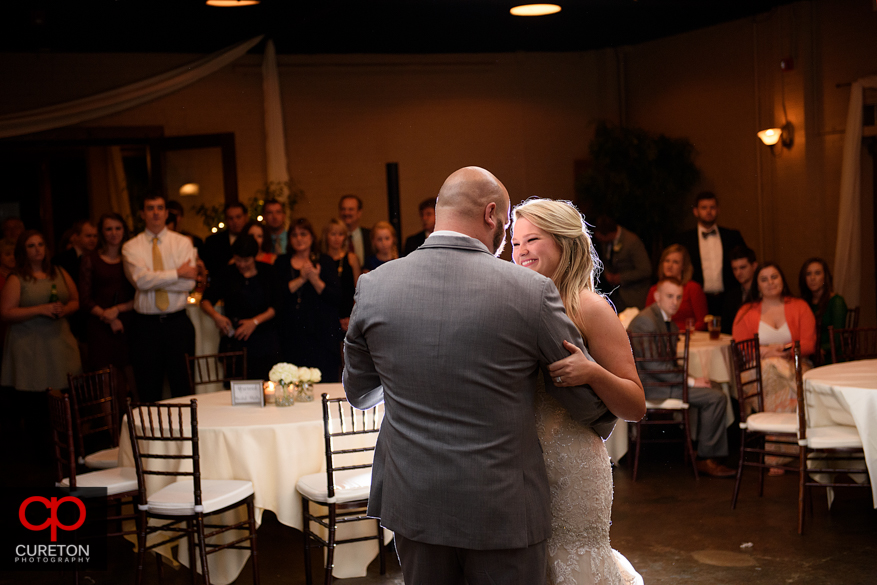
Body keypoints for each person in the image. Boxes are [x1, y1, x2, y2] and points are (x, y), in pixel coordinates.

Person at [343, 167, 615, 585]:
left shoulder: (374, 286)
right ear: (492, 215)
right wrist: (604, 412)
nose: (507, 240)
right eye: (507, 226)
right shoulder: (530, 291)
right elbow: (582, 403)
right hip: (503, 506)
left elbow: (360, 394)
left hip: (414, 500)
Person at [511, 197, 645, 585]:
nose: (521, 251)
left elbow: (635, 405)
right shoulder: (513, 304)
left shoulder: (589, 307)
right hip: (518, 471)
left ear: (564, 242)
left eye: (532, 240)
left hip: (572, 470)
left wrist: (592, 372)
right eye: (516, 243)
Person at [629, 277, 735, 477]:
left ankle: (704, 451)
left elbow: (667, 364)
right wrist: (692, 381)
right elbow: (653, 366)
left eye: (678, 297)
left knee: (715, 387)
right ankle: (706, 459)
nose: (674, 302)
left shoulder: (666, 320)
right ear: (657, 296)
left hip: (663, 380)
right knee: (716, 397)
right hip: (652, 386)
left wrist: (695, 379)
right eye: (670, 296)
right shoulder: (647, 321)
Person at [733, 262, 816, 470]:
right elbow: (741, 347)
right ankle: (788, 452)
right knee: (770, 372)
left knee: (781, 377)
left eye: (774, 277)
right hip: (758, 369)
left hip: (796, 364)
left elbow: (808, 344)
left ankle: (777, 454)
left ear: (782, 279)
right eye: (764, 279)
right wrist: (764, 352)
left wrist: (783, 348)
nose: (770, 283)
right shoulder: (746, 311)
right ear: (757, 285)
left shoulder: (800, 306)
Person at [122, 193, 198, 401]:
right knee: (148, 389)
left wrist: (154, 279)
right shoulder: (131, 246)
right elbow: (140, 281)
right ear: (142, 214)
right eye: (150, 208)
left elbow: (189, 283)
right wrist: (176, 273)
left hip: (177, 324)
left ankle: (186, 434)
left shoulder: (182, 243)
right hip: (145, 327)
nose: (155, 212)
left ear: (166, 213)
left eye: (160, 208)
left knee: (182, 387)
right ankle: (150, 435)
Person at [1, 230, 82, 390]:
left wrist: (65, 309)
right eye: (31, 246)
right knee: (36, 397)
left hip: (60, 341)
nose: (37, 249)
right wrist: (40, 309)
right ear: (23, 251)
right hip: (30, 346)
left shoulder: (59, 271)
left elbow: (75, 300)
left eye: (40, 244)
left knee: (66, 392)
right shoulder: (17, 278)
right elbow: (5, 312)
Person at [200, 235, 281, 380]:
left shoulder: (268, 272)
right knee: (235, 384)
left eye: (246, 260)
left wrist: (254, 322)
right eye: (238, 260)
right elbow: (205, 300)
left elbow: (277, 305)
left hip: (264, 339)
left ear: (254, 257)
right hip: (235, 341)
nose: (242, 264)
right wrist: (216, 316)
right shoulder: (227, 273)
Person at [275, 218, 343, 382]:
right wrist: (301, 278)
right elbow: (277, 294)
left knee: (323, 379)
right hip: (292, 333)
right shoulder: (282, 262)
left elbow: (335, 297)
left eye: (303, 234)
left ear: (312, 237)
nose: (299, 238)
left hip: (321, 333)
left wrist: (314, 278)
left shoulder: (325, 261)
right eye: (294, 235)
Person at [78, 213, 137, 400]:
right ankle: (111, 428)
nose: (114, 233)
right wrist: (108, 316)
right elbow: (85, 299)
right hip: (99, 326)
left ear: (124, 231)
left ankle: (140, 425)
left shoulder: (133, 259)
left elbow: (142, 295)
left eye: (118, 228)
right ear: (102, 233)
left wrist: (118, 310)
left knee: (134, 377)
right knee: (105, 384)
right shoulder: (90, 259)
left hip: (129, 323)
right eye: (108, 229)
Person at [675, 191, 748, 316]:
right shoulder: (684, 239)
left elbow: (746, 263)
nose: (709, 211)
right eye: (704, 208)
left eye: (712, 207)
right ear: (696, 211)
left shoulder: (732, 236)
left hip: (728, 298)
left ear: (718, 210)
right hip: (698, 299)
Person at [592, 215, 651, 311]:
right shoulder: (605, 242)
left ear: (608, 234)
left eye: (601, 238)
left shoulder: (632, 242)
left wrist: (621, 277)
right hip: (617, 296)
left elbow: (645, 270)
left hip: (633, 296)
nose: (600, 241)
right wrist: (607, 274)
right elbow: (604, 260)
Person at [645, 244, 708, 331]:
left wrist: (683, 332)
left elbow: (702, 321)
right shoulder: (654, 290)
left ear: (683, 266)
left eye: (675, 262)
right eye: (667, 261)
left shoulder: (693, 288)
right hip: (662, 339)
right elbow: (648, 318)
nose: (669, 265)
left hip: (688, 337)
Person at [799, 257, 847, 364]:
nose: (812, 278)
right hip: (810, 354)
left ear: (825, 277)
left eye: (817, 273)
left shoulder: (836, 302)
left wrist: (816, 349)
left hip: (831, 357)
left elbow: (837, 340)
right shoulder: (803, 303)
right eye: (808, 274)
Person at [321, 218, 361, 331]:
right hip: (327, 315)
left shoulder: (352, 259)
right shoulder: (321, 260)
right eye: (333, 234)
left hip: (349, 315)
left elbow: (359, 290)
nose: (337, 238)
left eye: (340, 234)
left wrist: (352, 316)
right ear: (326, 236)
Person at [201, 202, 249, 277]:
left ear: (246, 217)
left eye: (238, 217)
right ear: (226, 220)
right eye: (231, 218)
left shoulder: (254, 237)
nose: (235, 221)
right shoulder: (213, 242)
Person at [720, 246, 758, 334]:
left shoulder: (764, 292)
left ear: (754, 266)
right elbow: (726, 329)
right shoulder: (731, 296)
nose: (738, 273)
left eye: (743, 267)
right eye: (735, 269)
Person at [53, 219, 98, 286]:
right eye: (88, 236)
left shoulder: (98, 258)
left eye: (95, 236)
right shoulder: (61, 260)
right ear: (76, 236)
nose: (92, 239)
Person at [339, 194, 372, 266]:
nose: (346, 213)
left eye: (350, 209)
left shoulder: (370, 236)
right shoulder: (332, 238)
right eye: (343, 209)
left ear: (359, 212)